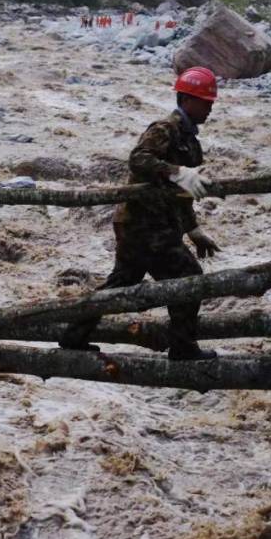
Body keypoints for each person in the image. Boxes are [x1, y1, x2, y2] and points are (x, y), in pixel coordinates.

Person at [58, 67, 223, 360]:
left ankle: (74, 334)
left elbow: (182, 194)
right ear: (187, 100)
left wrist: (193, 230)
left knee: (121, 283)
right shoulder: (165, 129)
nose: (210, 108)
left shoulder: (189, 141)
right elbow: (138, 159)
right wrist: (177, 172)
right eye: (205, 102)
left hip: (149, 224)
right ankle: (183, 347)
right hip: (145, 225)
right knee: (189, 279)